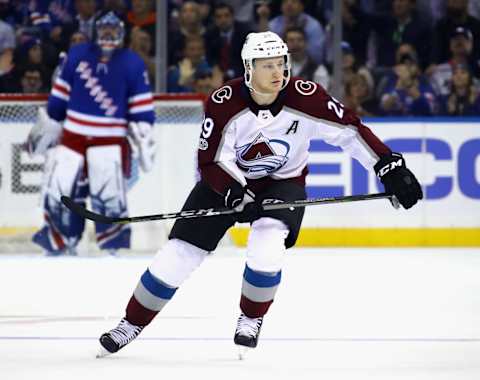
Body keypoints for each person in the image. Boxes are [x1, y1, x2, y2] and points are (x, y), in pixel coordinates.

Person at [97, 31, 423, 358]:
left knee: (267, 248)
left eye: (281, 64)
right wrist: (235, 193)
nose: (277, 72)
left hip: (283, 183)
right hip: (224, 182)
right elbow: (211, 160)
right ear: (248, 69)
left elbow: (352, 132)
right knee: (177, 255)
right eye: (267, 65)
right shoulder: (224, 103)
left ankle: (251, 318)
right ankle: (131, 323)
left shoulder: (308, 98)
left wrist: (389, 167)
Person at [28, 11, 155, 256]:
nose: (108, 34)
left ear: (121, 32)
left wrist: (143, 131)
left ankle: (112, 245)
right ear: (95, 31)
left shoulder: (132, 62)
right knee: (60, 190)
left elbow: (141, 108)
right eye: (104, 29)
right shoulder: (77, 55)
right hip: (73, 137)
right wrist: (51, 121)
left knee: (109, 196)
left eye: (113, 29)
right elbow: (59, 98)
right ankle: (60, 241)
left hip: (109, 139)